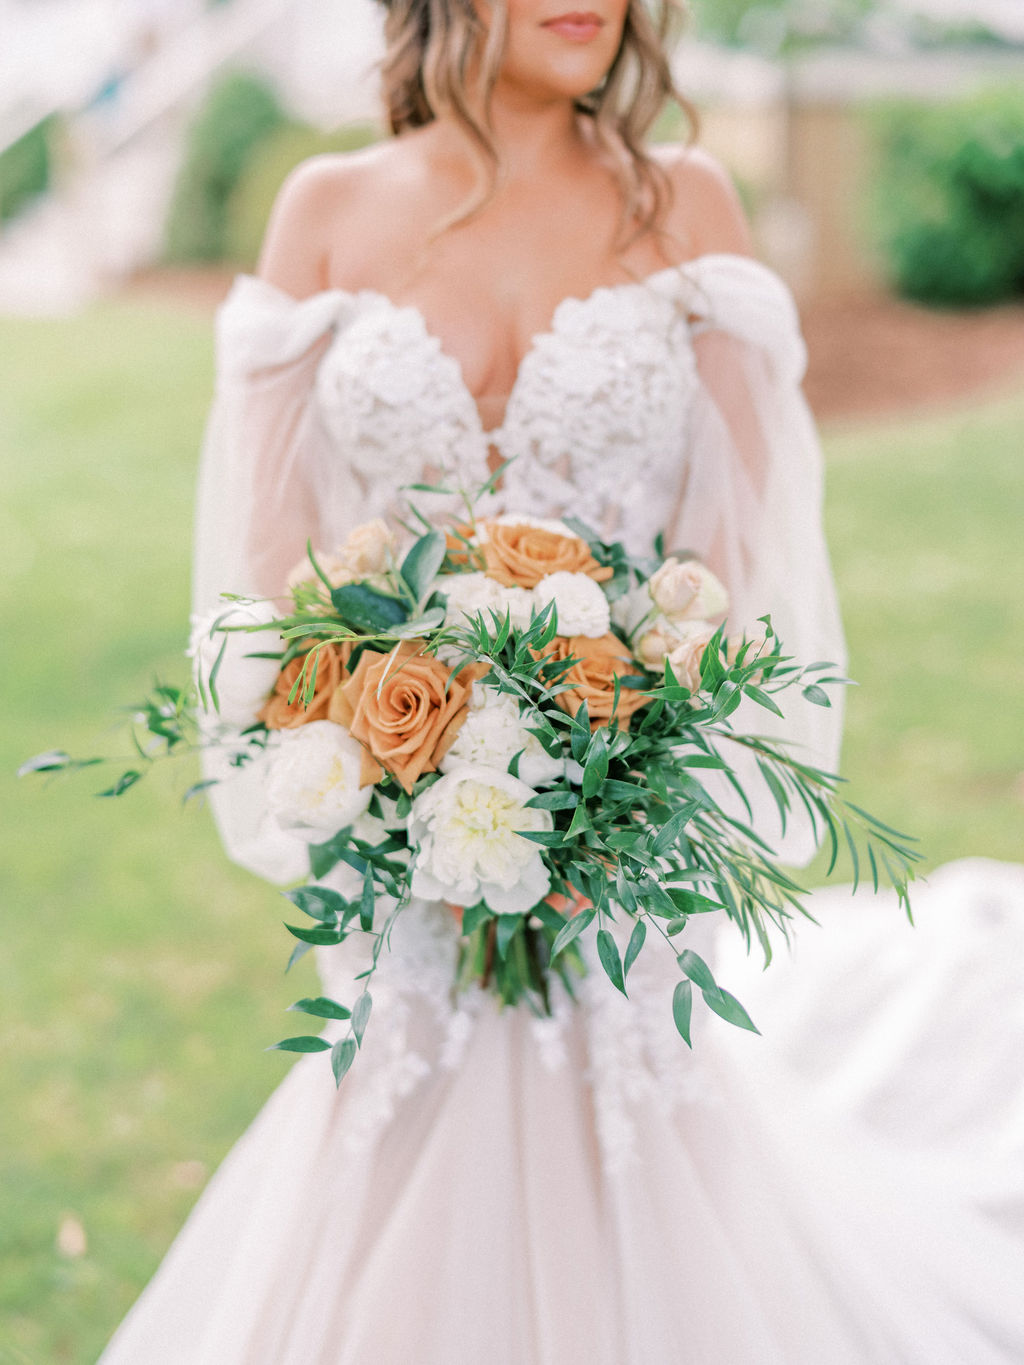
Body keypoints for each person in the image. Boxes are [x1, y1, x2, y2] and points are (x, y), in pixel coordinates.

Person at [100, 1, 1024, 1360]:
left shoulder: (685, 203)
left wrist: (625, 770)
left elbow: (735, 560)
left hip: (624, 821)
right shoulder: (327, 209)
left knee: (630, 1140)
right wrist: (385, 754)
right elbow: (268, 576)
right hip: (399, 821)